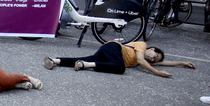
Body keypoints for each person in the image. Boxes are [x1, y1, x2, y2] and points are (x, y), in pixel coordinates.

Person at [43, 41, 194, 76]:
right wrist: (157, 72)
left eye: (154, 61)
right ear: (152, 49)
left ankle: (55, 60)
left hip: (109, 56)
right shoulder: (142, 46)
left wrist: (181, 63)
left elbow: (163, 63)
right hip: (114, 48)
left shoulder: (145, 59)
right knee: (120, 68)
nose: (153, 59)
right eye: (154, 56)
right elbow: (142, 61)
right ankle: (85, 65)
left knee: (81, 58)